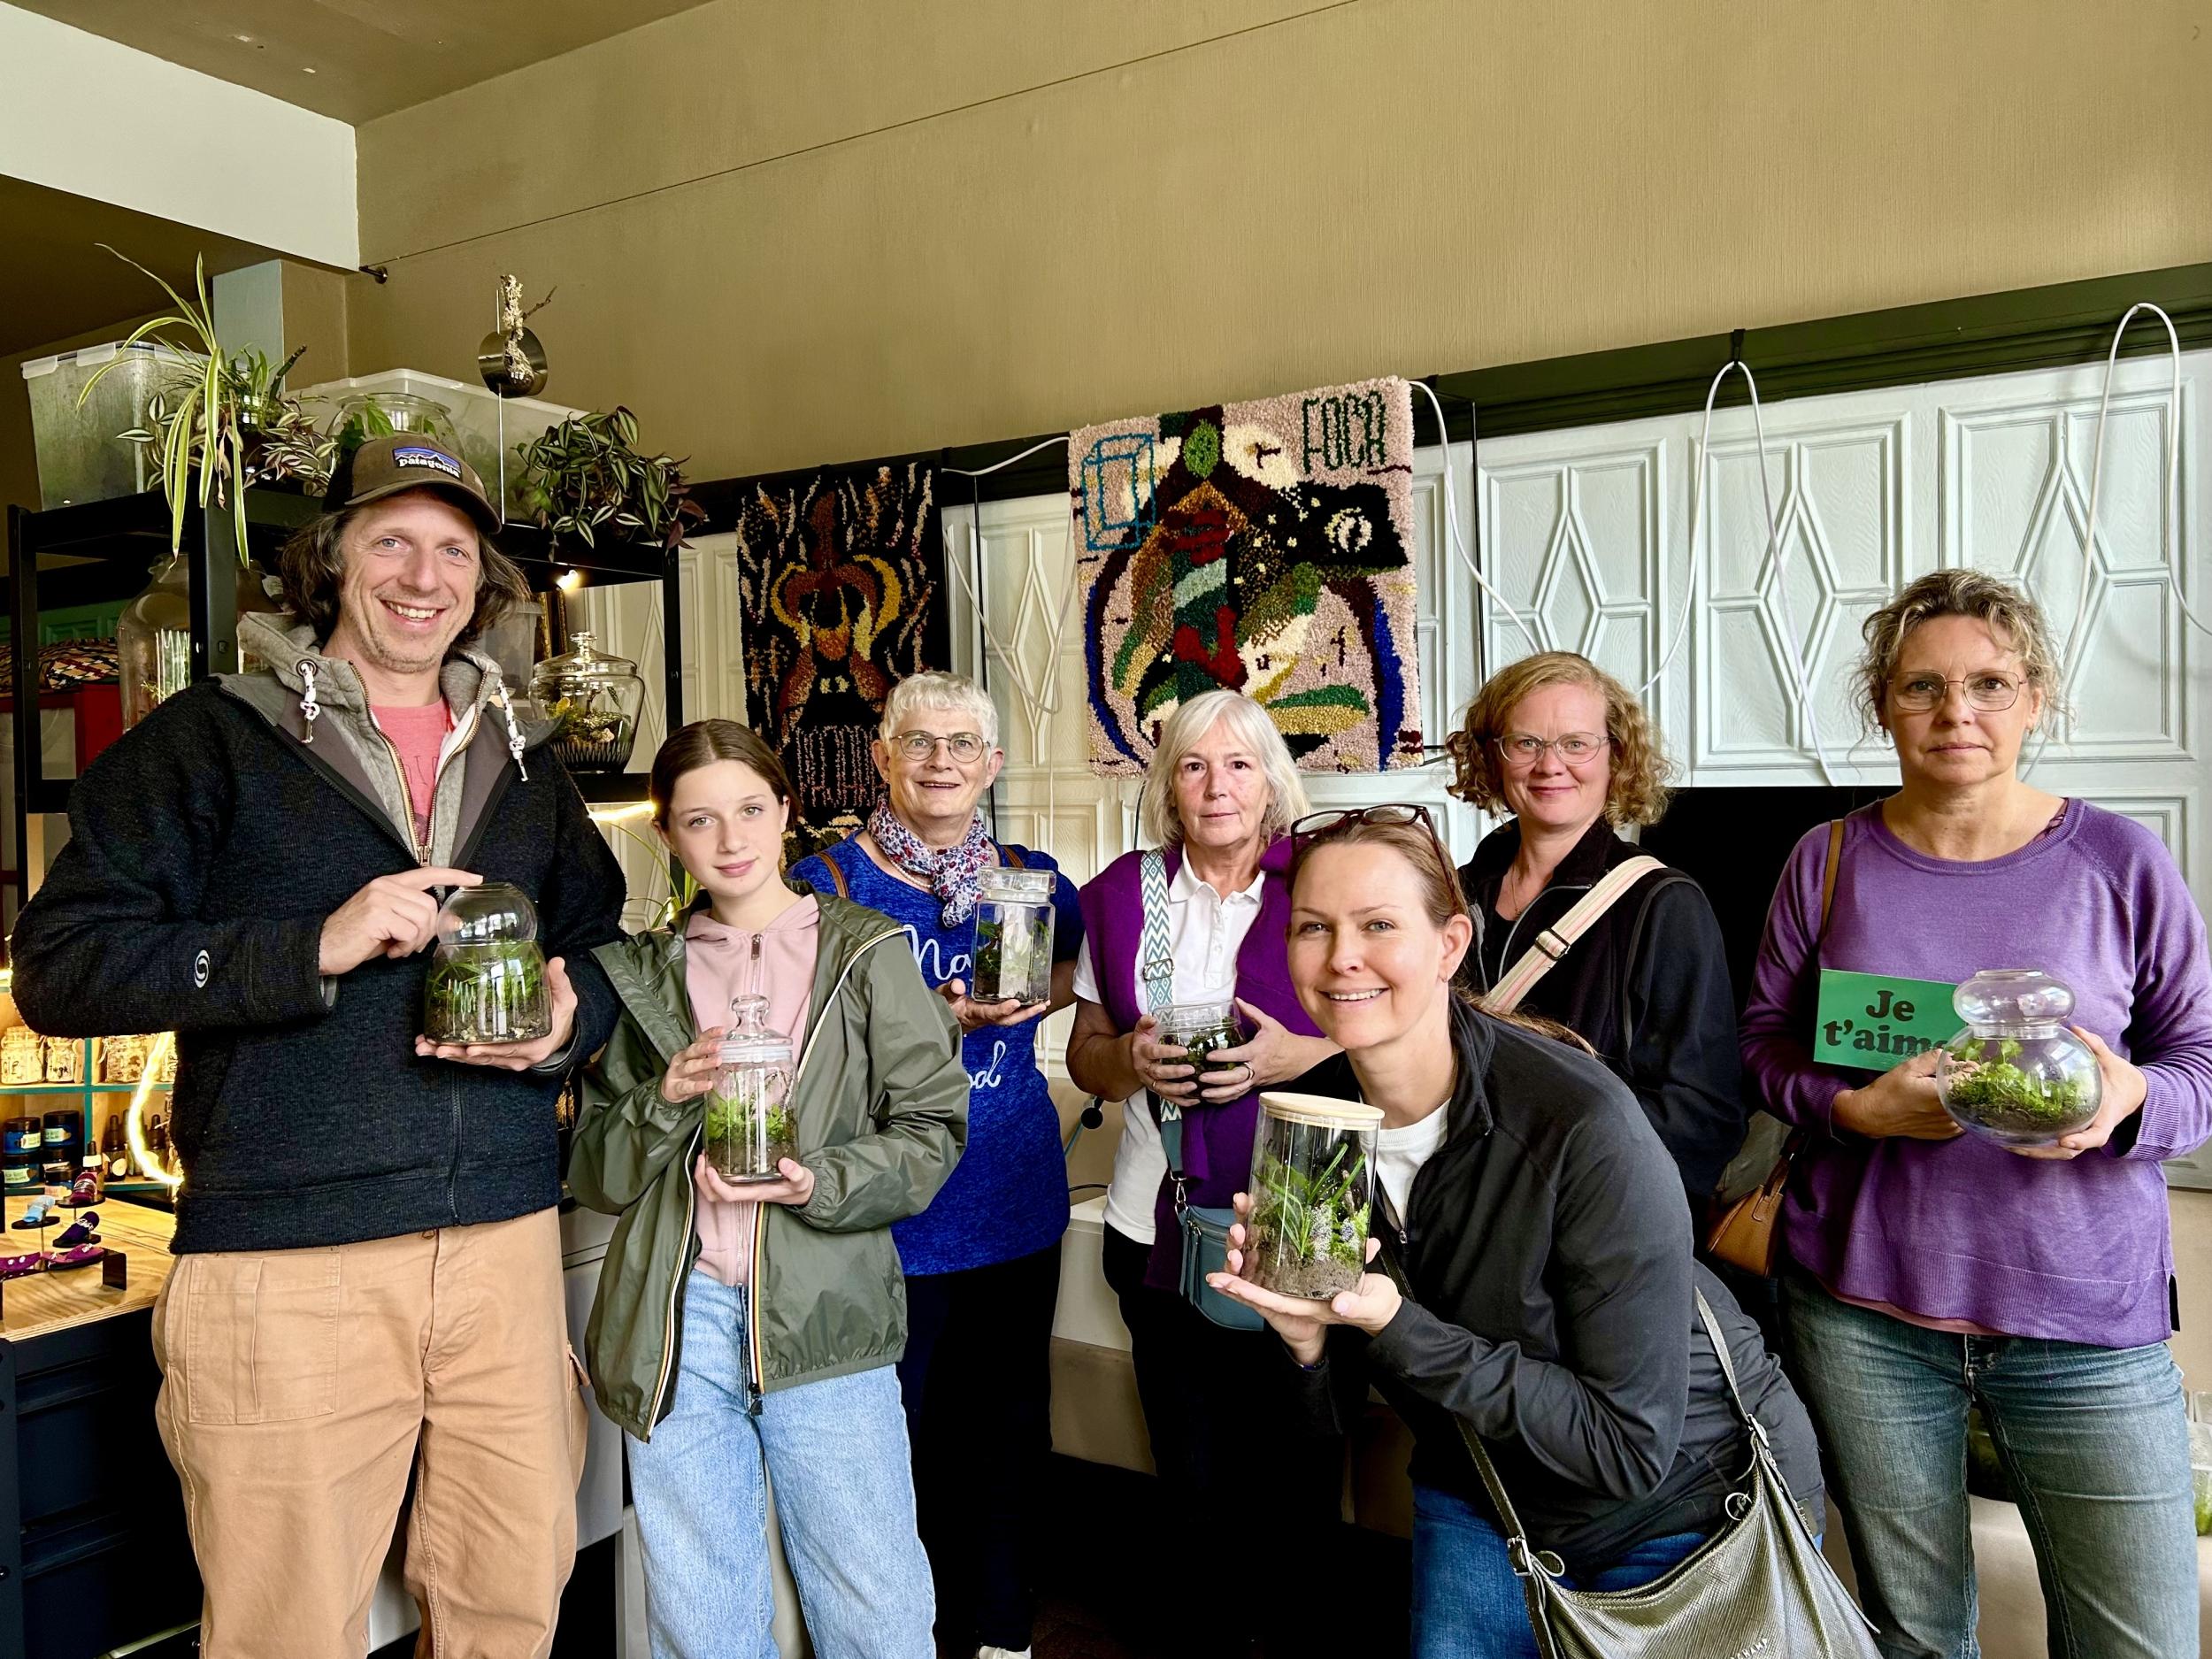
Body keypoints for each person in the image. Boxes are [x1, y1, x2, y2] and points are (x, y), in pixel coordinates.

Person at [10, 434, 628, 1659]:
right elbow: (60, 964)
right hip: (290, 1259)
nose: (423, 572)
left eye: (454, 548)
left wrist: (570, 1021)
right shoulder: (213, 736)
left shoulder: (526, 753)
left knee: (511, 1604)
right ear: (330, 556)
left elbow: (604, 944)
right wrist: (311, 945)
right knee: (285, 1628)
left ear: (484, 581)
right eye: (390, 537)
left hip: (504, 1242)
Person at [1209, 805, 1825, 1659]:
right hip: (1481, 1486)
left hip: (1684, 1505)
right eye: (1314, 927)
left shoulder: (1580, 1123)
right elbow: (1319, 1434)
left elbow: (1625, 1448)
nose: (1342, 955)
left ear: (1451, 944)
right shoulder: (1317, 1126)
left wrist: (1395, 1324)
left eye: (1379, 924)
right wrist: (1306, 1344)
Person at [1740, 569, 2212, 1659]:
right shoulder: (1827, 860)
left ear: (2036, 698)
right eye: (1923, 687)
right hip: (1864, 1313)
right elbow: (1761, 1051)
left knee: (2137, 1642)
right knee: (1916, 1637)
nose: (1958, 714)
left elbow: (2200, 1067)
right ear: (1882, 704)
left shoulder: (2118, 861)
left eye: (1991, 685)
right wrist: (1854, 1111)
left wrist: (2128, 1099)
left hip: (2086, 1323)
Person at [570, 719, 969, 1659]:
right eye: (699, 821)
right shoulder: (640, 979)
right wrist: (666, 1097)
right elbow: (595, 1167)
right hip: (678, 1328)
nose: (731, 839)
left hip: (826, 1320)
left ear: (787, 812)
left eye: (750, 810)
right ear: (666, 836)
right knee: (701, 1613)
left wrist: (819, 1180)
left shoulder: (867, 955)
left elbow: (933, 1132)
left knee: (873, 1605)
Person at [788, 671, 1080, 1659]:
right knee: (886, 1446)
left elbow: (1075, 965)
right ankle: (892, 1638)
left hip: (1013, 1203)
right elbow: (792, 1042)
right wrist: (934, 1022)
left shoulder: (1030, 876)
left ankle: (999, 1633)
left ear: (992, 764)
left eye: (963, 744)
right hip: (883, 1223)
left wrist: (1043, 995)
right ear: (881, 757)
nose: (941, 761)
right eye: (918, 742)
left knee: (1005, 1439)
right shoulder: (825, 883)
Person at [1063, 688, 1341, 1653]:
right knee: (1193, 1481)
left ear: (1271, 779)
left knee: (1298, 1479)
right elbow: (1085, 1049)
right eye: (1192, 765)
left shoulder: (1330, 881)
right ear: (1167, 785)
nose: (1216, 785)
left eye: (1236, 763)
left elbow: (1409, 1027)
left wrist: (1291, 1058)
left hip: (1302, 1223)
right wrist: (1127, 1063)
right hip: (1157, 1222)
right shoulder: (1116, 894)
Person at [1446, 650, 1743, 1212]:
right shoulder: (1454, 894)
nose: (1549, 766)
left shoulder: (1663, 905)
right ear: (1493, 755)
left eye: (1576, 744)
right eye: (1525, 742)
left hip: (1591, 1221)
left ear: (1616, 757)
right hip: (1461, 1210)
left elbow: (1704, 1116)